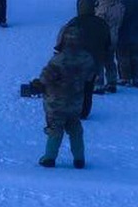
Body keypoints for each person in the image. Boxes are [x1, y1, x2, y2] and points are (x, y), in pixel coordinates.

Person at [35, 26, 96, 169]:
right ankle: (79, 159)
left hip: (56, 103)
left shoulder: (58, 60)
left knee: (55, 129)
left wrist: (38, 84)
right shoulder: (87, 59)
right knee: (75, 129)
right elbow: (90, 77)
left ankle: (49, 157)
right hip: (76, 102)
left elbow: (45, 78)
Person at [56, 0, 117, 119]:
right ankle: (84, 111)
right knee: (88, 87)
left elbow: (62, 41)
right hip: (95, 61)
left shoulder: (74, 22)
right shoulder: (101, 23)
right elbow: (108, 42)